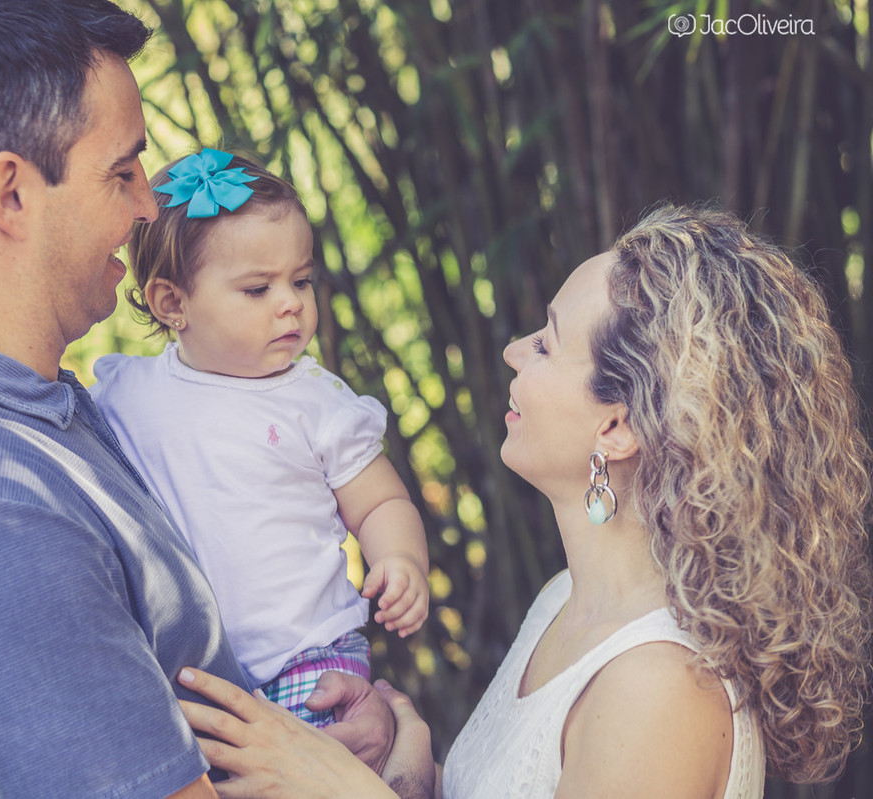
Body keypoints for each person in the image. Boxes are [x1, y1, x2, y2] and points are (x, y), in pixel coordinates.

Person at [0, 3, 391, 797]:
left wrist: (364, 728)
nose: (147, 210)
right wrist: (379, 778)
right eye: (122, 172)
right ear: (12, 194)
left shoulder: (4, 405)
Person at [175, 204, 873, 798]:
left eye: (546, 342)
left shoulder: (661, 687)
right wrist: (411, 756)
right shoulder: (563, 600)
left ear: (618, 425)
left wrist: (337, 784)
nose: (511, 350)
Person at [90, 149, 430, 725]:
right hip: (191, 674)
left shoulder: (316, 401)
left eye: (301, 280)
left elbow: (381, 500)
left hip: (313, 659)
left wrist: (401, 559)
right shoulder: (128, 396)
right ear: (173, 303)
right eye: (257, 289)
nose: (291, 303)